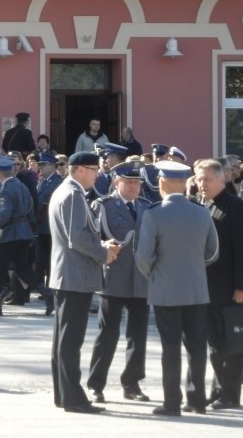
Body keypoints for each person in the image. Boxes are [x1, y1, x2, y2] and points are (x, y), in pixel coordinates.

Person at [136, 160, 220, 416]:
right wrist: (193, 267)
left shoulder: (154, 213)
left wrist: (156, 274)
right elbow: (213, 252)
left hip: (165, 291)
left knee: (170, 348)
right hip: (196, 289)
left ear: (161, 183)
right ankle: (196, 400)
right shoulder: (202, 212)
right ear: (185, 184)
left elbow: (143, 257)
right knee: (197, 346)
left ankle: (172, 402)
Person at [48, 151, 121, 414]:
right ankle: (73, 398)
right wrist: (103, 253)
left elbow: (75, 235)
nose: (98, 174)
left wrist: (101, 245)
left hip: (67, 274)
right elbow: (76, 238)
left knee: (63, 339)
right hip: (74, 275)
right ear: (80, 170)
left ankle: (63, 394)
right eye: (94, 169)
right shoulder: (73, 194)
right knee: (71, 340)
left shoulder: (66, 191)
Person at [87, 161, 152, 404]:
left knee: (138, 335)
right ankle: (96, 384)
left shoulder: (147, 207)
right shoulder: (103, 206)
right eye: (130, 182)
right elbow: (93, 238)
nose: (136, 186)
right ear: (117, 182)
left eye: (138, 182)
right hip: (113, 277)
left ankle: (132, 382)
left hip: (141, 279)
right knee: (108, 334)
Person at [193, 159, 243, 410]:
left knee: (232, 345)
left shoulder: (236, 207)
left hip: (230, 287)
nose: (202, 184)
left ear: (222, 179)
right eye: (199, 179)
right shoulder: (203, 204)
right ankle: (218, 390)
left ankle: (230, 393)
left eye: (207, 179)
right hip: (206, 287)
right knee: (215, 344)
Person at [0, 155, 54, 317]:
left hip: (9, 233)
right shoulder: (21, 185)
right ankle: (47, 293)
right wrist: (29, 229)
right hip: (24, 232)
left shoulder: (6, 189)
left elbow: (5, 214)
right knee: (22, 268)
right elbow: (31, 208)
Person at [34, 153, 63, 287]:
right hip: (40, 227)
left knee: (50, 259)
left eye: (43, 165)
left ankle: (50, 286)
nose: (40, 168)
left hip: (50, 227)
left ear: (52, 166)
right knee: (40, 259)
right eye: (39, 165)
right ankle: (41, 287)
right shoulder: (42, 182)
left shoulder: (57, 182)